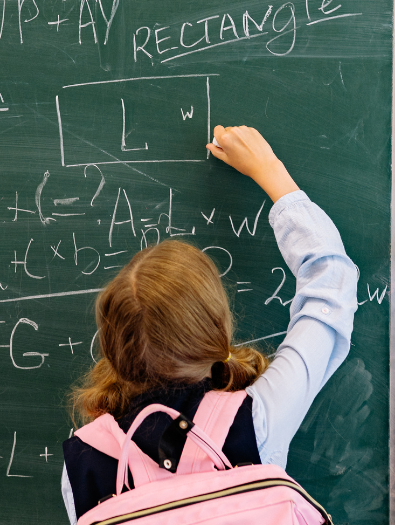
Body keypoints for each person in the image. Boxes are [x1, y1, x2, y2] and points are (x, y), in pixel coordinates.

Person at [60, 125, 358, 524]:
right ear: (216, 327)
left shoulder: (82, 459)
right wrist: (270, 172)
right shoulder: (257, 420)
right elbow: (329, 286)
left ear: (112, 346)